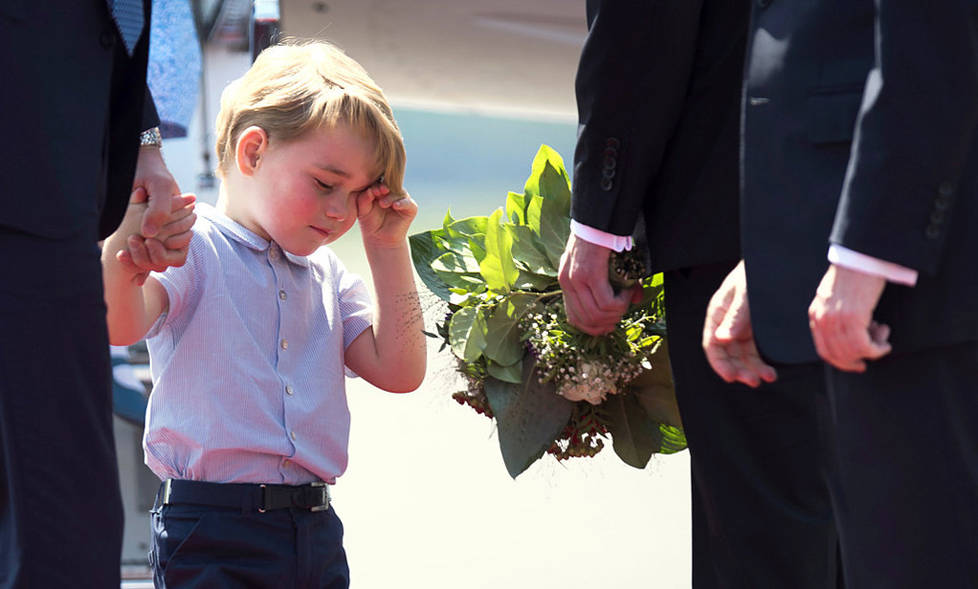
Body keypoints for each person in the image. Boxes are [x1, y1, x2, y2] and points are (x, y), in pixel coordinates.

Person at [100, 40, 426, 587]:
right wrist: (124, 251)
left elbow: (400, 371)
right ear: (253, 152)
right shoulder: (196, 247)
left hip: (315, 528)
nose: (341, 211)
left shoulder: (328, 276)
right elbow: (120, 323)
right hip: (210, 528)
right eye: (325, 184)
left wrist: (388, 248)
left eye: (358, 195)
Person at [559, 1, 843, 586]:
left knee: (766, 540)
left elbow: (642, 28)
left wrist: (600, 223)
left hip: (742, 213)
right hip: (889, 218)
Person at [703, 2, 978, 586]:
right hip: (876, 253)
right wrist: (785, 251)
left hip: (917, 286)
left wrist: (868, 253)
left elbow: (932, 41)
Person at [0, 2, 194, 587]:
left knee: (62, 513)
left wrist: (143, 141)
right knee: (61, 520)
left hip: (60, 192)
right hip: (29, 188)